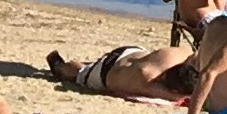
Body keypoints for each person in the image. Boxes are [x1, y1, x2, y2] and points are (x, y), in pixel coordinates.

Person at [47, 39, 202, 101]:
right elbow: (177, 99)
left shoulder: (181, 54)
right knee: (79, 72)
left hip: (133, 51)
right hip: (105, 72)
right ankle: (59, 65)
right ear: (175, 89)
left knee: (91, 67)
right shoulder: (145, 81)